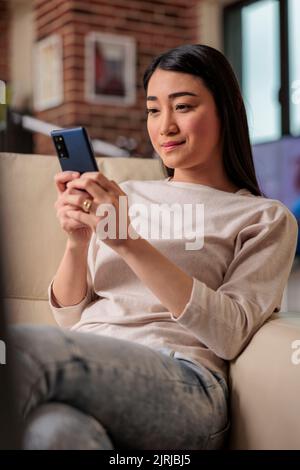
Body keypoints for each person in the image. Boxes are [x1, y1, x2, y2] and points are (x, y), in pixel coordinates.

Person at [9, 44, 298, 450]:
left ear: (226, 110)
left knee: (19, 348)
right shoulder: (126, 195)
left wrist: (129, 243)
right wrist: (78, 243)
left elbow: (230, 333)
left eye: (183, 106)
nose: (165, 127)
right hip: (93, 363)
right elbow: (71, 319)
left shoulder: (264, 218)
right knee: (54, 433)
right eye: (153, 110)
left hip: (183, 384)